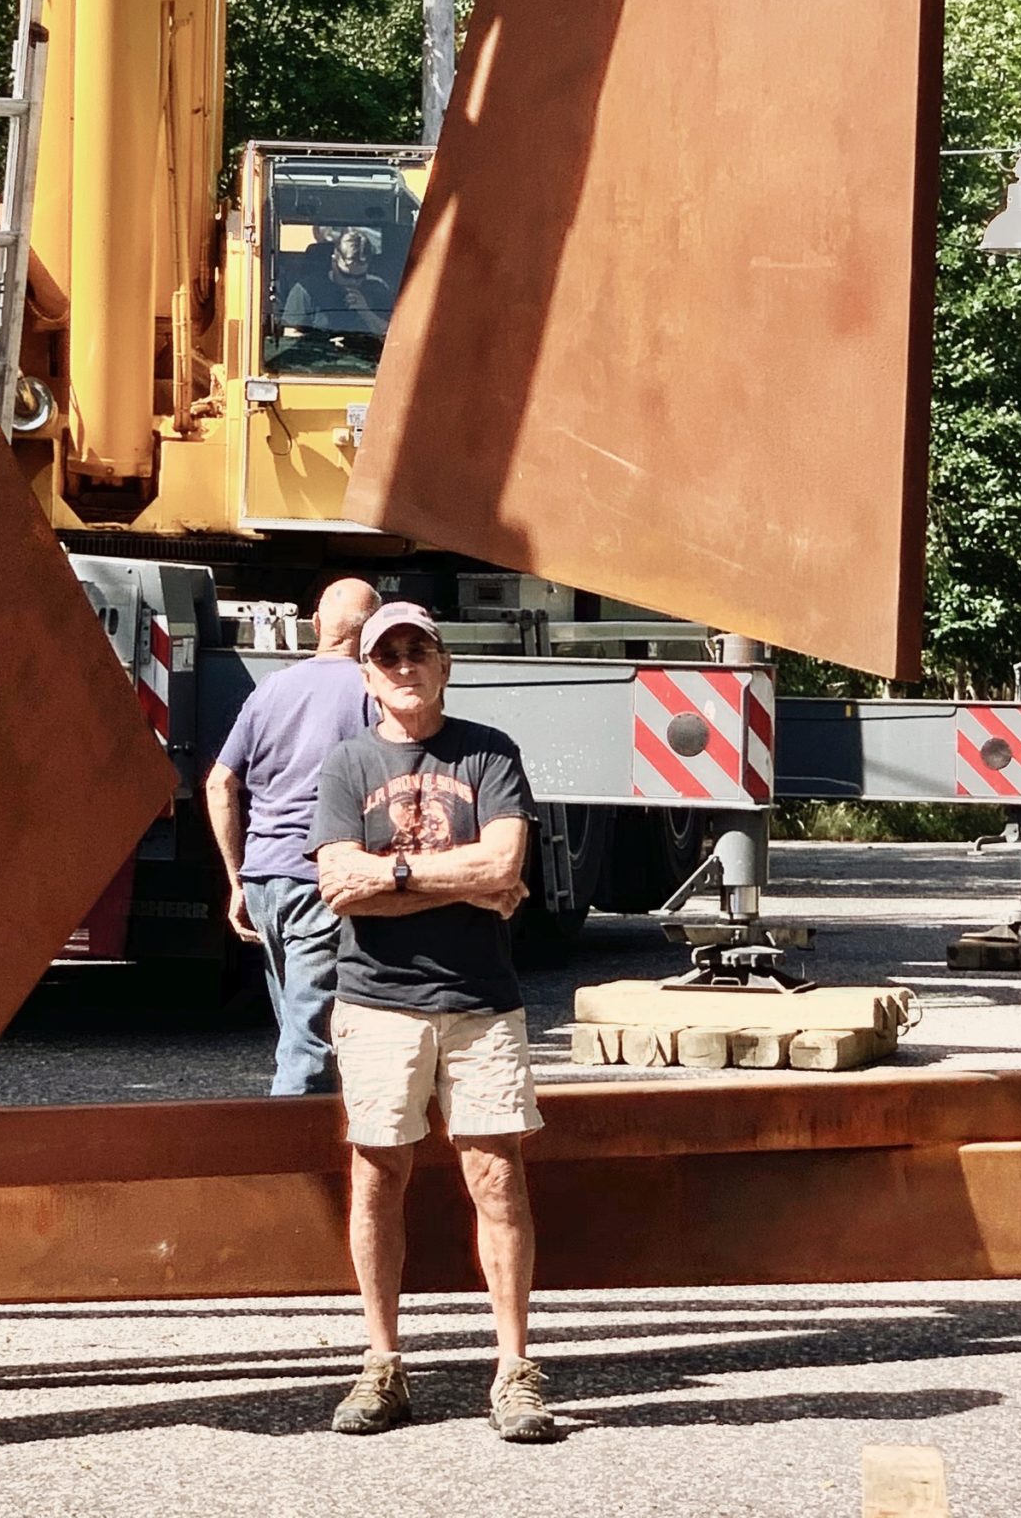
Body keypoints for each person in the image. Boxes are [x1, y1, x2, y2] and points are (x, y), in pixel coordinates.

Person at [311, 600, 555, 1445]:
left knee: (497, 1177)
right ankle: (382, 1367)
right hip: (377, 1002)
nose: (404, 666)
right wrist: (457, 878)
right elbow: (337, 883)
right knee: (378, 1179)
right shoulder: (346, 764)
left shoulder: (490, 753)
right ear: (369, 674)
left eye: (419, 651)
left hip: (481, 1003)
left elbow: (507, 862)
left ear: (444, 664)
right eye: (388, 656)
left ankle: (515, 1370)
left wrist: (395, 875)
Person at [204, 577, 377, 1095]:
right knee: (309, 1042)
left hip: (264, 878)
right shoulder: (372, 693)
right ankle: (294, 1158)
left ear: (317, 624)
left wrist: (236, 880)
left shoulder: (272, 688)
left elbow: (220, 783)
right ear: (370, 637)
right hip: (321, 877)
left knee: (295, 1025)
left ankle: (306, 1137)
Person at [280, 227, 393, 337]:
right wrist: (325, 347)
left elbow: (393, 335)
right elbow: (290, 334)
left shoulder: (378, 288)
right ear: (334, 262)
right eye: (346, 275)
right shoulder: (306, 290)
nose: (353, 282)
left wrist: (366, 312)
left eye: (360, 276)